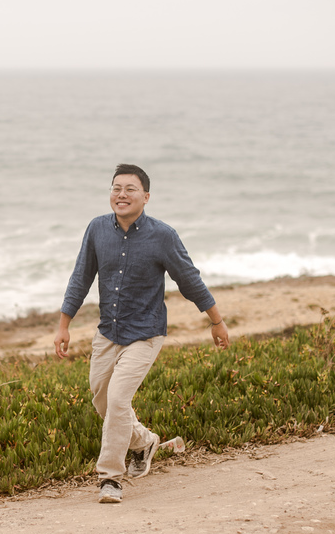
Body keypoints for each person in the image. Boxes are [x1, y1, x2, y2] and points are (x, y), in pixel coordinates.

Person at [53, 163, 229, 504]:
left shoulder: (162, 236)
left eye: (130, 189)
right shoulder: (97, 230)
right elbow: (80, 278)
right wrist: (64, 325)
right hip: (108, 332)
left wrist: (216, 321)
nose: (121, 194)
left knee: (118, 399)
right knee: (102, 400)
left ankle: (110, 478)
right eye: (116, 188)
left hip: (146, 333)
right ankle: (144, 441)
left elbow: (189, 280)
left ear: (145, 197)